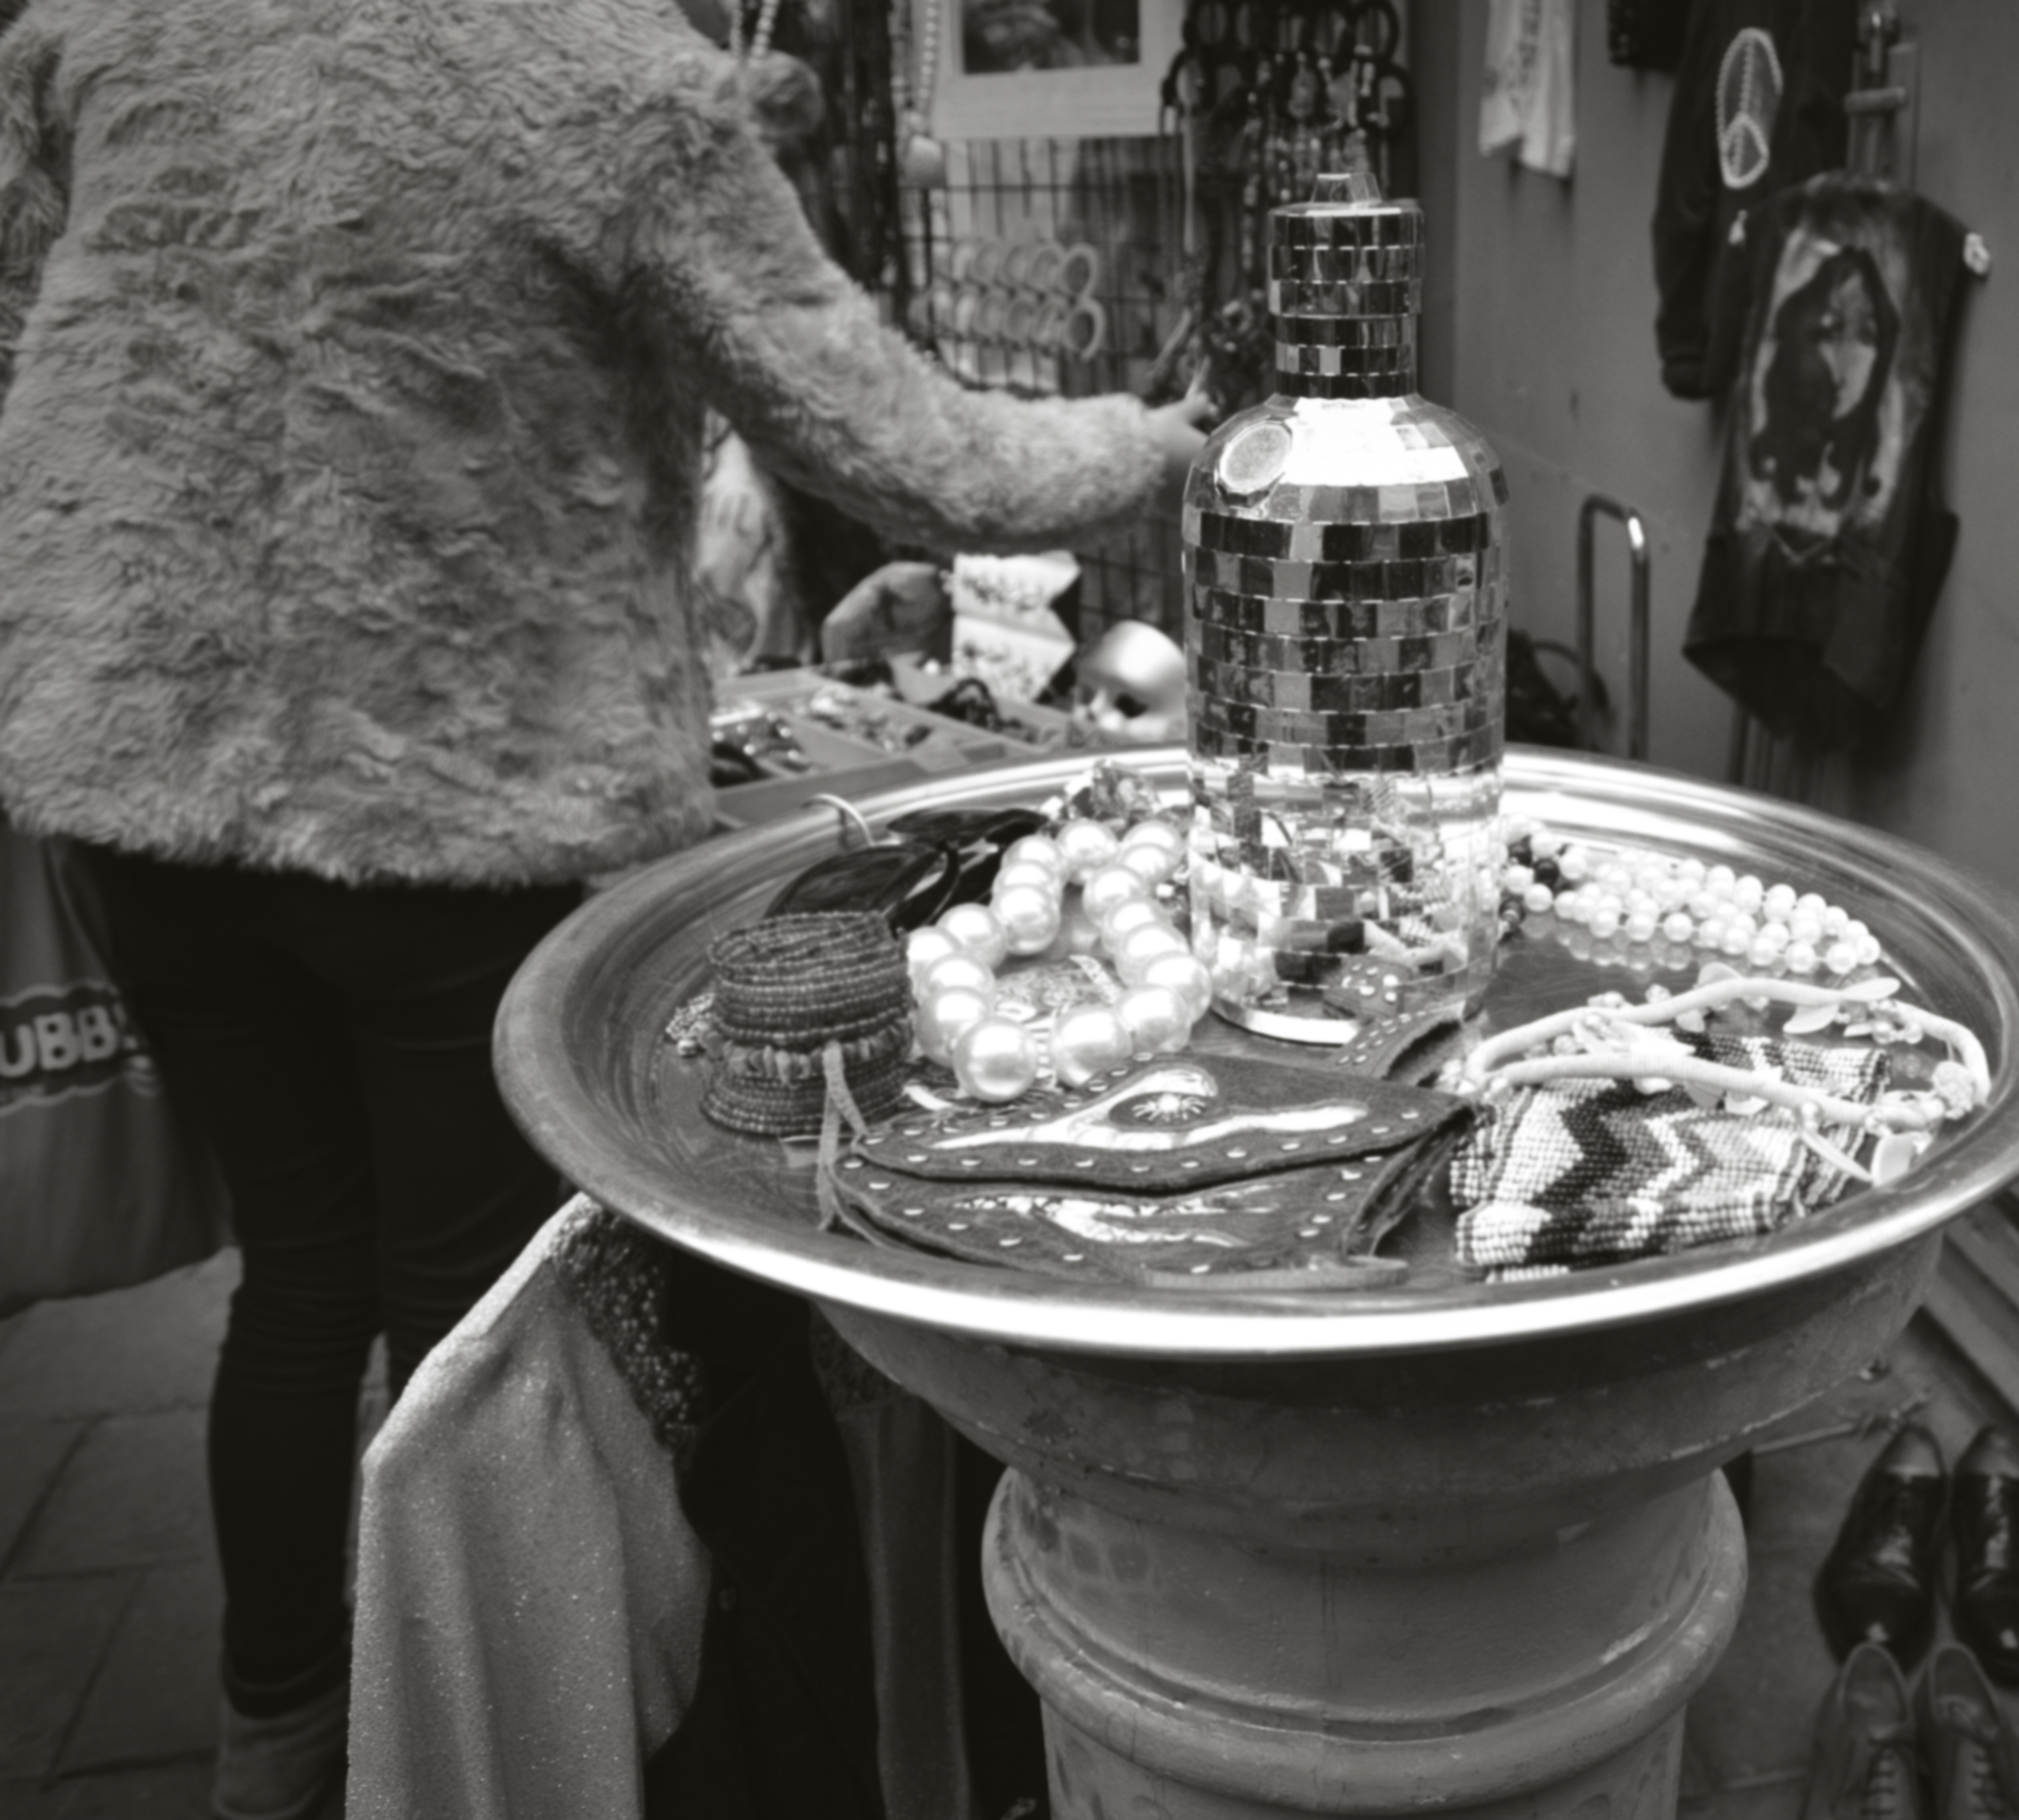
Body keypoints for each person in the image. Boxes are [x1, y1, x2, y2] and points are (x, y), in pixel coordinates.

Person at [0, 1, 1206, 1814]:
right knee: (474, 1311)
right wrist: (1163, 440)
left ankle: (277, 1743)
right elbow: (899, 444)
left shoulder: (114, 29)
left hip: (144, 775)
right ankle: (470, 1754)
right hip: (449, 794)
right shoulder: (605, 81)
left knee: (302, 1278)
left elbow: (53, 313)